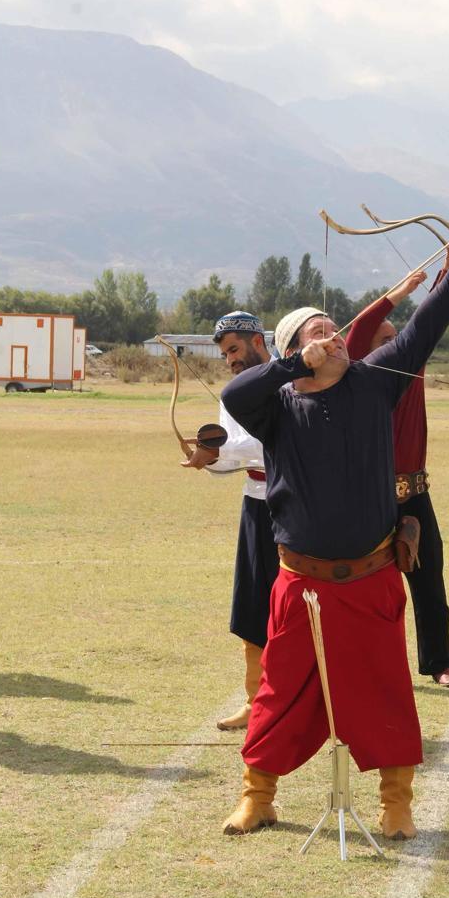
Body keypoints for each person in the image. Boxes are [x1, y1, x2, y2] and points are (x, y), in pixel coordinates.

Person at [219, 229, 449, 840]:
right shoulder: (276, 403)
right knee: (278, 697)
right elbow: (235, 393)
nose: (332, 334)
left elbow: (422, 329)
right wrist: (292, 364)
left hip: (369, 581)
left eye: (334, 326)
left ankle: (397, 806)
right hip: (300, 588)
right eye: (317, 331)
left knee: (387, 695)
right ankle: (257, 798)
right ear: (292, 351)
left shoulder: (374, 382)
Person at [345, 249, 449, 688]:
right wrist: (400, 292)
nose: (397, 342)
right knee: (366, 589)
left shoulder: (410, 368)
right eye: (386, 338)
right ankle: (367, 662)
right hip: (370, 498)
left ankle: (440, 663)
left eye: (399, 337)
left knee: (429, 580)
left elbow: (430, 320)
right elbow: (358, 331)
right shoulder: (358, 375)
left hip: (414, 493)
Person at [182, 311, 278, 732]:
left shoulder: (289, 380)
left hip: (297, 506)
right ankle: (256, 702)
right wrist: (208, 459)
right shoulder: (232, 393)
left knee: (301, 608)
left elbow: (268, 445)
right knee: (251, 607)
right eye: (224, 355)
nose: (230, 361)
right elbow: (234, 459)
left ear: (259, 341)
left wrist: (221, 453)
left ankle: (307, 703)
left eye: (235, 350)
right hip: (255, 505)